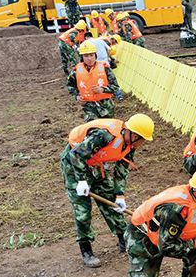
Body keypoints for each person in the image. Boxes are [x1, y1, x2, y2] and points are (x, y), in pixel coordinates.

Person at [61, 114, 154, 267]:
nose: (142, 143)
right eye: (142, 139)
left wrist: (119, 195)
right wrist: (82, 181)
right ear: (134, 134)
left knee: (112, 203)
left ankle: (124, 240)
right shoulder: (104, 135)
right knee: (82, 209)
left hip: (96, 165)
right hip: (74, 165)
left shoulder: (130, 145)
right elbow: (76, 154)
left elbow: (121, 171)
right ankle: (86, 250)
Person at [66, 41, 119, 121]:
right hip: (89, 108)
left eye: (91, 55)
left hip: (106, 107)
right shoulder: (76, 71)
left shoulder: (105, 68)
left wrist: (103, 89)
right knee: (93, 130)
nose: (89, 58)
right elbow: (70, 86)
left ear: (95, 55)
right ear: (82, 57)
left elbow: (115, 86)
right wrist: (77, 97)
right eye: (86, 56)